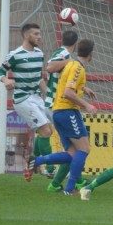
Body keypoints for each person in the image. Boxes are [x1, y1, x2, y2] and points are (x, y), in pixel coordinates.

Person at [24, 39, 98, 195]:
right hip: (67, 111)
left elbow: (66, 83)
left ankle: (36, 161)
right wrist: (87, 105)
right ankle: (70, 189)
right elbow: (68, 92)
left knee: (72, 154)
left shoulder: (71, 64)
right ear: (91, 54)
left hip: (58, 111)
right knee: (84, 149)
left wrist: (83, 88)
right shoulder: (78, 68)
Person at [0, 23, 53, 167]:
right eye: (36, 34)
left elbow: (38, 77)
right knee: (45, 129)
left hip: (36, 97)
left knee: (47, 131)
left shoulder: (39, 54)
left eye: (40, 34)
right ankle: (51, 169)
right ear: (27, 36)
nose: (39, 37)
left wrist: (48, 95)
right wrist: (6, 79)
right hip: (22, 99)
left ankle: (32, 162)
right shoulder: (15, 55)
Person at [43, 30, 89, 192]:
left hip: (59, 106)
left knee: (73, 151)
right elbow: (50, 67)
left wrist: (84, 88)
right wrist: (70, 61)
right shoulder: (63, 54)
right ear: (75, 44)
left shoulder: (67, 58)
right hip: (59, 105)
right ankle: (72, 184)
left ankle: (59, 183)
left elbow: (65, 79)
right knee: (79, 150)